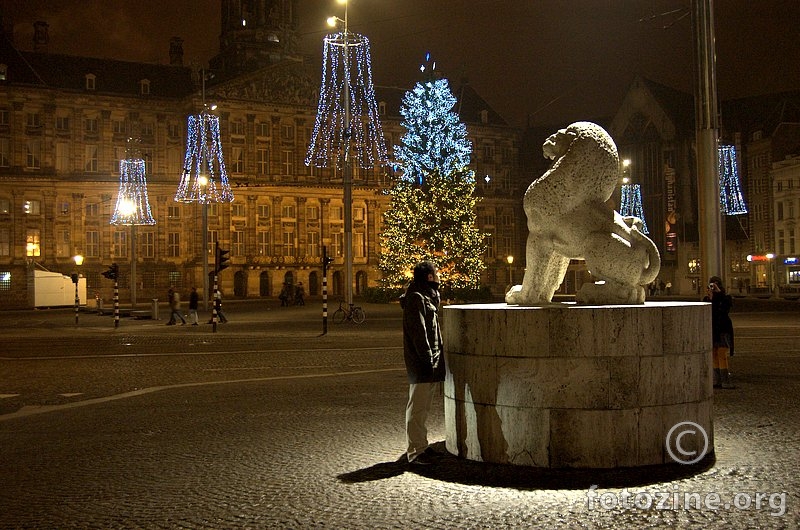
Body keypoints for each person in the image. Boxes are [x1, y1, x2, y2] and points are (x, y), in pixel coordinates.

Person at [399, 261, 445, 465]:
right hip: (422, 362)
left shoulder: (427, 296)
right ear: (429, 277)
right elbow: (419, 333)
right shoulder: (416, 298)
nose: (439, 276)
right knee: (417, 407)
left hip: (430, 360)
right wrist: (427, 359)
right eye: (436, 274)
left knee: (423, 407)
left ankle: (422, 446)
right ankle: (415, 452)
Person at [704, 276, 734, 389]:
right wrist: (711, 297)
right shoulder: (707, 299)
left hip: (722, 329)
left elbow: (724, 309)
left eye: (715, 285)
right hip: (713, 329)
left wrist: (718, 294)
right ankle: (716, 380)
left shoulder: (725, 298)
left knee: (722, 353)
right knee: (714, 354)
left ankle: (725, 380)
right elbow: (708, 311)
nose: (713, 288)